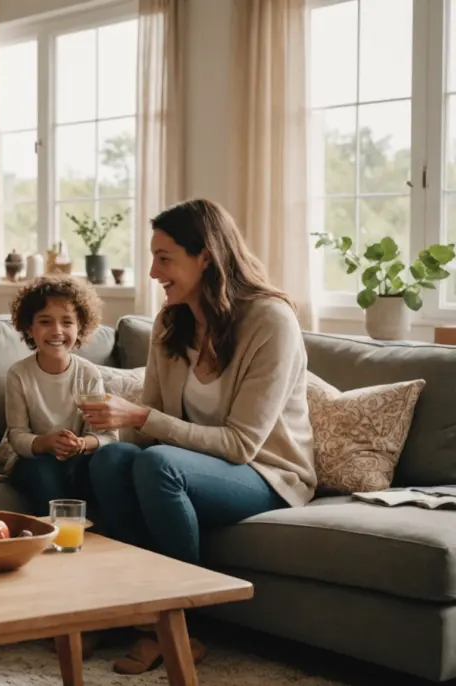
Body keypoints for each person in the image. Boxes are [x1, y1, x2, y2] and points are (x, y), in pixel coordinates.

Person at [79, 198, 317, 673]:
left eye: (164, 258)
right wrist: (102, 439)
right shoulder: (171, 322)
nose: (153, 272)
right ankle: (139, 613)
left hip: (267, 474)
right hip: (184, 466)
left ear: (204, 257)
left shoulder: (271, 321)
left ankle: (178, 628)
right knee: (110, 461)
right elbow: (148, 431)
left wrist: (141, 417)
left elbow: (240, 445)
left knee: (158, 465)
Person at [2, 275, 117, 516]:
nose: (57, 331)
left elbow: (108, 436)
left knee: (103, 462)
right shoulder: (18, 374)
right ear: (29, 328)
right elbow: (17, 435)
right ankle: (55, 532)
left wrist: (81, 444)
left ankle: (100, 533)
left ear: (80, 328)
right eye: (45, 321)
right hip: (34, 460)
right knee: (43, 471)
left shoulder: (88, 373)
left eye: (67, 322)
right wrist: (47, 443)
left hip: (78, 458)